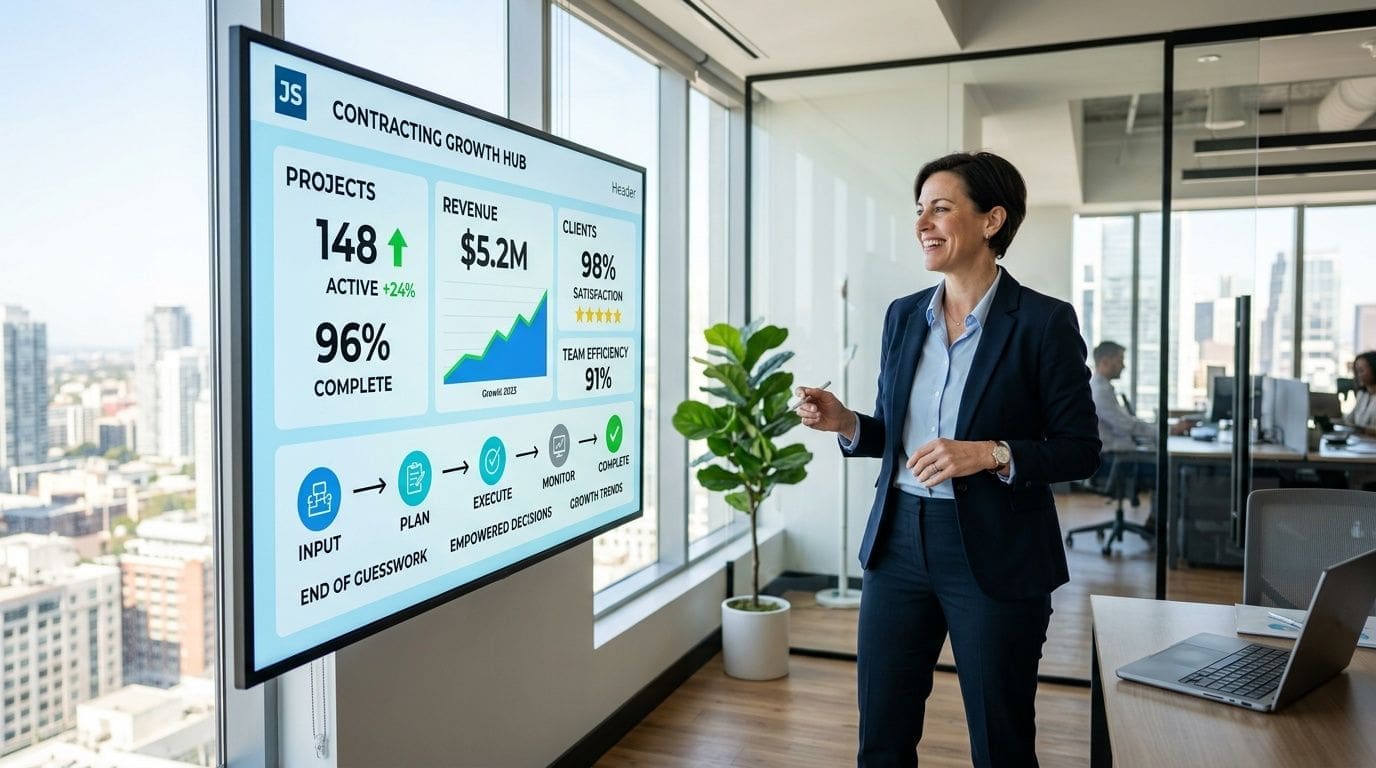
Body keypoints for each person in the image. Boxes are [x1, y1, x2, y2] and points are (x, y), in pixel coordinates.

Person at [795, 151, 1100, 767]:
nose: (922, 224)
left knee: (1000, 742)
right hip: (898, 544)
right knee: (881, 737)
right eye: (919, 210)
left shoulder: (1043, 322)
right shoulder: (904, 315)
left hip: (997, 549)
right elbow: (898, 437)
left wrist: (988, 453)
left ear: (992, 220)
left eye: (940, 208)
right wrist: (847, 422)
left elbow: (1081, 449)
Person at [1346, 351, 1376, 436]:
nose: (1358, 375)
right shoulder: (1362, 395)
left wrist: (1365, 430)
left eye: (1361, 370)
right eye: (1356, 371)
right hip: (1360, 441)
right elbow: (1349, 420)